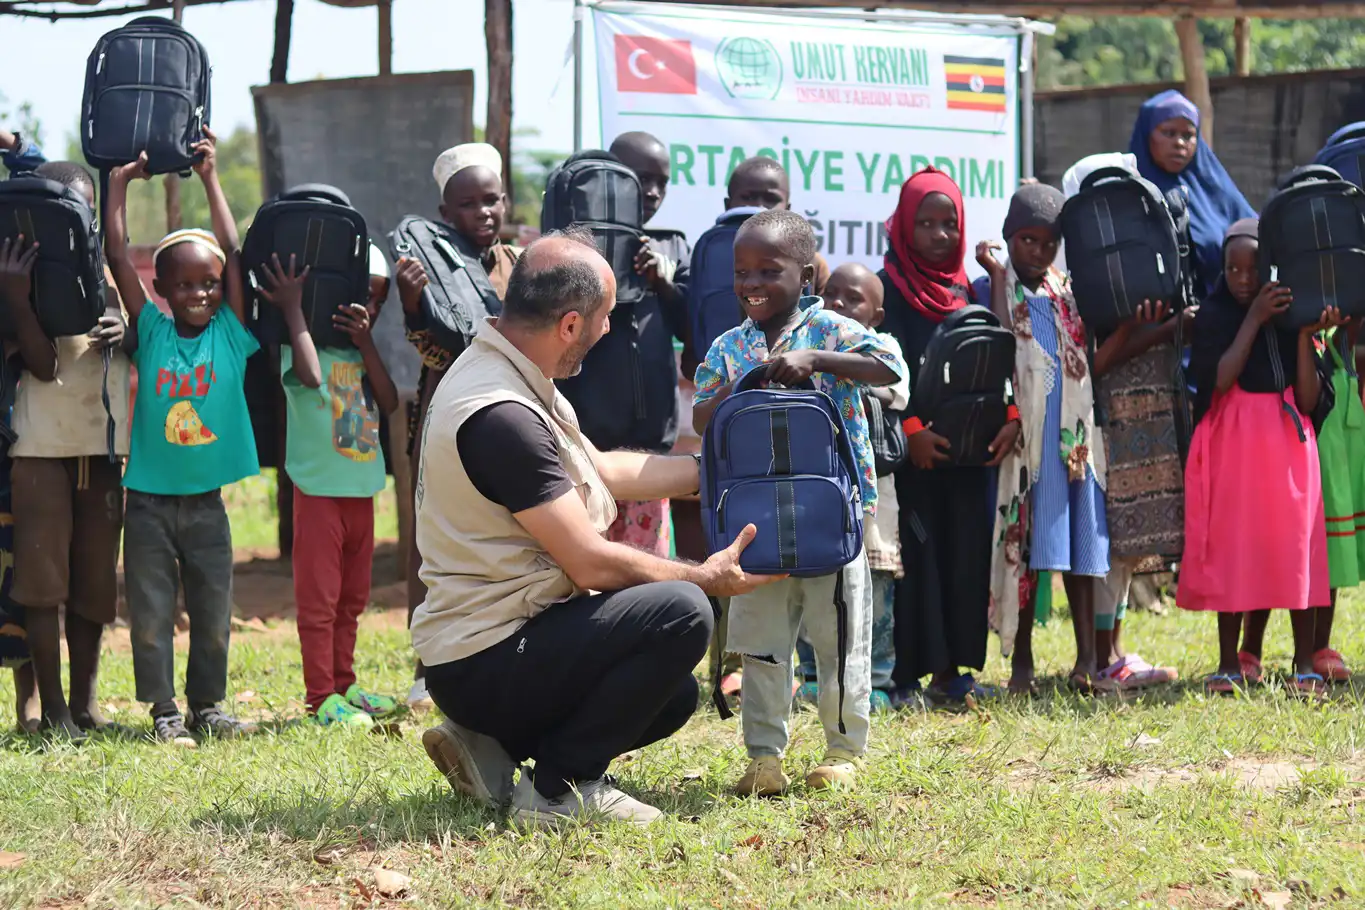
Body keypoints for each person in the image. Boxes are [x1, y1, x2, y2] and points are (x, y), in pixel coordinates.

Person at [413, 228, 775, 827]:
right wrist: (704, 576)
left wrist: (711, 471)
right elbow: (589, 563)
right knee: (683, 611)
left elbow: (598, 468)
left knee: (673, 696)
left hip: (489, 647)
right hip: (485, 656)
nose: (609, 331)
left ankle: (493, 749)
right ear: (572, 324)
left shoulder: (504, 370)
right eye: (606, 318)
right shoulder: (503, 415)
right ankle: (560, 788)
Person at [694, 210, 904, 795]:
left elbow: (893, 368)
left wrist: (817, 362)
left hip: (833, 515)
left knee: (838, 634)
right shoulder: (729, 346)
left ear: (806, 274)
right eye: (741, 272)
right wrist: (744, 388)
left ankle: (843, 751)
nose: (752, 283)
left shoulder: (830, 329)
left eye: (769, 270)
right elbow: (701, 415)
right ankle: (765, 757)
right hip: (755, 523)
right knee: (761, 642)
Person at [105, 131, 260, 740]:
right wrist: (116, 186)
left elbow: (233, 252)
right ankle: (165, 712)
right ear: (162, 290)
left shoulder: (231, 335)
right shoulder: (152, 333)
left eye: (210, 284)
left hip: (206, 506)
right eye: (187, 285)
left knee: (213, 613)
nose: (200, 293)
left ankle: (209, 707)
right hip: (145, 503)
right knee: (150, 614)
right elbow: (118, 254)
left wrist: (212, 177)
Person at [878, 167, 1017, 708]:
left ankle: (953, 672)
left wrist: (1009, 416)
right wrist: (911, 432)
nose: (940, 234)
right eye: (927, 223)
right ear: (903, 226)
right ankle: (908, 672)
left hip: (969, 454)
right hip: (916, 458)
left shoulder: (967, 289)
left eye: (949, 223)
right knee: (918, 559)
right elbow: (880, 367)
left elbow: (1000, 349)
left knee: (964, 559)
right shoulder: (887, 287)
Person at [0, 161, 130, 740]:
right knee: (42, 584)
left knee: (94, 586)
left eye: (83, 211)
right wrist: (21, 300)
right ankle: (50, 709)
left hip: (100, 451)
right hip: (40, 453)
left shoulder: (104, 271)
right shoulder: (14, 280)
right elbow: (45, 365)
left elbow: (139, 335)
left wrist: (120, 328)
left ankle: (83, 705)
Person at [1180, 218, 1335, 695]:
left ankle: (1304, 662)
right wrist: (1254, 319)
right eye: (1232, 270)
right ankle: (1231, 662)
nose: (1243, 280)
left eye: (1252, 270)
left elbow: (1309, 400)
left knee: (1295, 548)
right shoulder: (1214, 314)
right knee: (1234, 546)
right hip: (1235, 441)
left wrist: (1304, 334)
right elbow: (1219, 379)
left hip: (1288, 441)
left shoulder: (1293, 313)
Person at [399, 141, 521, 710]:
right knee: (440, 543)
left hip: (517, 421)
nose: (484, 213)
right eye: (468, 205)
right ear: (446, 213)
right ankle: (429, 668)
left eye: (491, 200)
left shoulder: (521, 265)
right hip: (449, 419)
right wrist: (412, 303)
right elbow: (432, 351)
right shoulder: (430, 263)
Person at [978, 184, 1113, 694]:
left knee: (1079, 550)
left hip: (1073, 445)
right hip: (1028, 444)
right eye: (1026, 240)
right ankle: (1023, 664)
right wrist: (995, 277)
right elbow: (996, 346)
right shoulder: (997, 287)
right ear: (1009, 236)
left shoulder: (1067, 292)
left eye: (1047, 242)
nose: (1037, 251)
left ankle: (1086, 661)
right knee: (1028, 550)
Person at [265, 242, 399, 727]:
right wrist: (294, 310)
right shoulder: (302, 342)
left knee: (352, 599)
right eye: (364, 295)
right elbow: (310, 374)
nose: (371, 308)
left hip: (361, 490)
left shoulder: (361, 352)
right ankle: (320, 697)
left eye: (380, 301)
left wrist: (366, 343)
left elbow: (388, 401)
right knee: (320, 601)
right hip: (319, 490)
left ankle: (345, 685)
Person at [1066, 152, 1183, 691]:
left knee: (1132, 541)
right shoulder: (1070, 285)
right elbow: (1095, 361)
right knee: (1114, 538)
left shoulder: (1094, 261)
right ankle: (1103, 655)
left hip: (1152, 403)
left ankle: (1112, 651)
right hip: (1108, 414)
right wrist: (1157, 329)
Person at [557, 131, 691, 559]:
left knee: (644, 573)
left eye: (661, 181)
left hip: (647, 453)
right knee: (582, 572)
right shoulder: (571, 246)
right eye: (639, 179)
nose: (651, 191)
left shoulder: (672, 246)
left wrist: (662, 283)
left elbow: (693, 330)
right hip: (581, 448)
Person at [795, 262, 905, 711]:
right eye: (831, 293)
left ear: (876, 316)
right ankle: (812, 677)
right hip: (815, 489)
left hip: (871, 494)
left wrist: (835, 365)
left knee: (873, 590)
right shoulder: (807, 338)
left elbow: (893, 386)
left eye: (853, 298)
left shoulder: (883, 348)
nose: (838, 303)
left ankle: (874, 677)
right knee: (811, 583)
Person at [1130, 90, 1255, 299]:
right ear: (1147, 136)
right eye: (1169, 133)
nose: (1179, 143)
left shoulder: (1216, 188)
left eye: (1188, 135)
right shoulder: (1130, 195)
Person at [1306, 319, 1365, 682]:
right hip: (1304, 419)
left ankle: (1319, 645)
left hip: (1342, 425)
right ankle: (1251, 646)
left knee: (1333, 536)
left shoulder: (1346, 304)